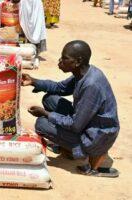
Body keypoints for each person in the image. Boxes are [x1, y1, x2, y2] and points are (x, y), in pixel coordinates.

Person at [21, 40, 120, 177]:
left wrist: (46, 113)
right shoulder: (83, 73)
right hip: (89, 123)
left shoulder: (91, 85)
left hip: (97, 136)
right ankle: (67, 145)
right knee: (50, 99)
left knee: (42, 124)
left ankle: (85, 162)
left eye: (65, 58)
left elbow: (75, 125)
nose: (60, 61)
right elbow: (60, 88)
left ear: (78, 61)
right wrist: (34, 81)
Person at [0, 0, 47, 67]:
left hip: (30, 6)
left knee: (25, 37)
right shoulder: (4, 5)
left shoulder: (31, 5)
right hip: (14, 35)